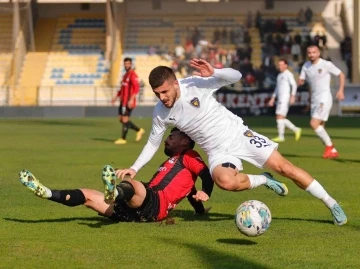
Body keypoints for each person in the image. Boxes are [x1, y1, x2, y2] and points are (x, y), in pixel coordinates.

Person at [116, 58, 347, 226]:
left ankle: (331, 203)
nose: (162, 98)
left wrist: (214, 72)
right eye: (157, 94)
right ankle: (262, 180)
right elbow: (153, 143)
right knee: (225, 181)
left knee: (286, 169)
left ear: (175, 83)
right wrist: (134, 168)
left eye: (164, 91)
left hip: (239, 135)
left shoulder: (195, 84)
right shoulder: (160, 112)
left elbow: (235, 77)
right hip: (217, 151)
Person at [19, 128, 213, 222]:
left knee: (134, 185)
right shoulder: (179, 169)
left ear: (185, 140)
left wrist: (206, 191)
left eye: (172, 136)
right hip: (134, 212)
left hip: (155, 203)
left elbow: (206, 175)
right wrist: (199, 209)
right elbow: (189, 191)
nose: (166, 140)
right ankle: (47, 192)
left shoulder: (188, 155)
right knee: (88, 196)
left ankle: (116, 193)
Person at [298, 45, 345, 159]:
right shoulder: (306, 66)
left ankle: (330, 146)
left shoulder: (326, 64)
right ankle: (332, 151)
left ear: (318, 53)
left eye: (314, 52)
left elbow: (341, 74)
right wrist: (300, 81)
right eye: (309, 52)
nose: (312, 54)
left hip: (324, 98)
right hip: (314, 100)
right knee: (321, 127)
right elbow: (304, 81)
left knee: (313, 124)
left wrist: (341, 90)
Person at [112, 57, 145, 145]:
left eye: (128, 64)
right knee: (121, 119)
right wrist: (116, 97)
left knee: (125, 119)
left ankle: (123, 138)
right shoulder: (125, 76)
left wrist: (131, 99)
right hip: (122, 101)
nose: (126, 65)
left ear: (131, 64)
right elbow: (122, 89)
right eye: (125, 64)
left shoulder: (133, 75)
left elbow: (136, 88)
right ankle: (139, 130)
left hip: (128, 101)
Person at [268, 59, 302, 143]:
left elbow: (294, 85)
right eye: (279, 65)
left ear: (286, 65)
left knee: (279, 116)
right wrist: (273, 98)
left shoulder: (288, 74)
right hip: (280, 98)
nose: (279, 66)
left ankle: (282, 136)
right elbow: (277, 88)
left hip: (285, 98)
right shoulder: (279, 75)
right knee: (281, 117)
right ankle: (296, 129)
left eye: (281, 64)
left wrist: (293, 96)